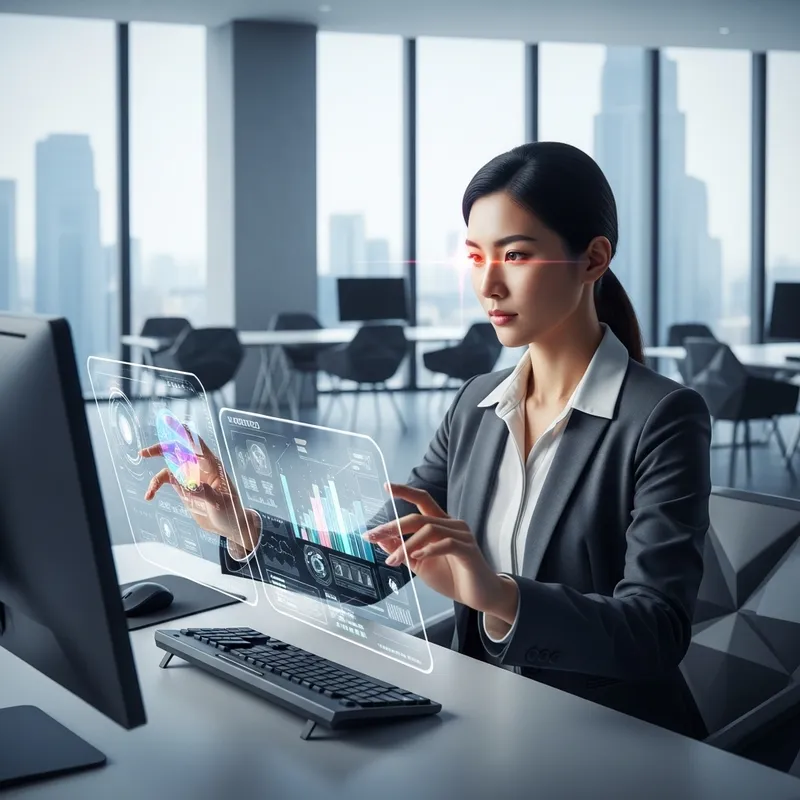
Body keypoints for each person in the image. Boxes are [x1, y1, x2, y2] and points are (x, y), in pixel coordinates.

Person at [142, 141, 711, 739]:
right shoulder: (476, 405)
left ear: (593, 259)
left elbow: (656, 632)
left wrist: (497, 595)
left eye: (515, 255)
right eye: (475, 257)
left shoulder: (662, 417)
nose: (488, 284)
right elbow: (373, 563)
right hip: (490, 720)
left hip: (611, 738)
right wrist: (243, 526)